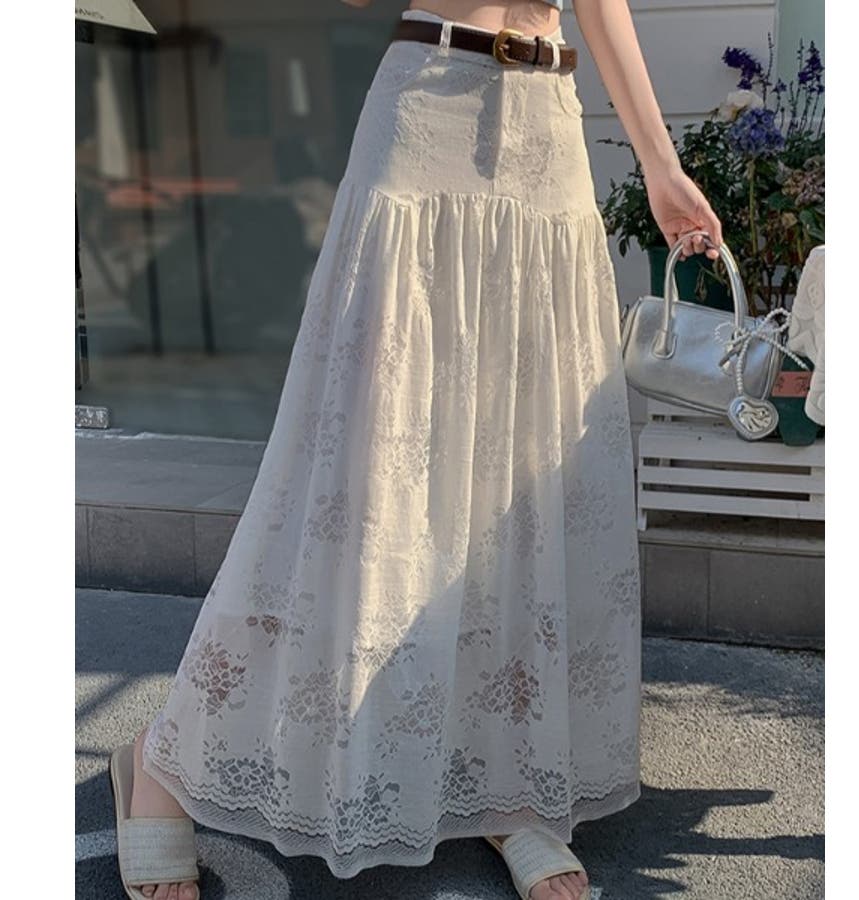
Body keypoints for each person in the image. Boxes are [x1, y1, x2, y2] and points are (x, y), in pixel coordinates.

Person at [109, 2, 722, 900]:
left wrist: (661, 166)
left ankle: (511, 784)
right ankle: (164, 760)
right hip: (427, 101)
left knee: (522, 475)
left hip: (546, 132)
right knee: (351, 480)